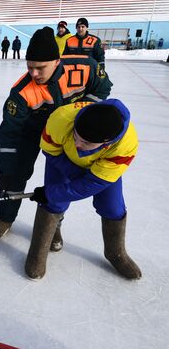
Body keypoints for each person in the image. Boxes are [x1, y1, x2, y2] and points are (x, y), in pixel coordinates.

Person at [0, 26, 113, 241]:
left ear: (57, 61)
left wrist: (82, 114)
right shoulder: (21, 92)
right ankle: (6, 217)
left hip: (67, 136)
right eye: (29, 67)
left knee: (60, 182)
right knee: (16, 175)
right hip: (32, 133)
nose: (34, 74)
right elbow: (9, 134)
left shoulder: (84, 67)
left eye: (40, 68)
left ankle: (53, 226)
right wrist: (6, 170)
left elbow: (103, 87)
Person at [25, 99, 141, 280]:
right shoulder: (62, 118)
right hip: (61, 160)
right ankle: (39, 249)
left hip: (99, 172)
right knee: (54, 203)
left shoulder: (126, 145)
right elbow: (50, 150)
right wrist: (60, 185)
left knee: (113, 207)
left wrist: (49, 191)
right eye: (75, 136)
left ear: (107, 143)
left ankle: (115, 253)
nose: (78, 143)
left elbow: (94, 184)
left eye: (86, 143)